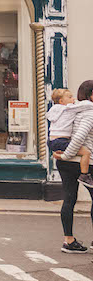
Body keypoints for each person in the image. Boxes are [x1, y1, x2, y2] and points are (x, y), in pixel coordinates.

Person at [55, 80, 93, 253]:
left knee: (69, 198)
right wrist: (67, 154)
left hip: (65, 162)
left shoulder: (70, 110)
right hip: (83, 162)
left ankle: (68, 241)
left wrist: (63, 155)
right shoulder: (89, 113)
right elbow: (79, 137)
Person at [49, 88, 93, 186]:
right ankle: (84, 175)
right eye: (70, 97)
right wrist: (65, 156)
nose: (73, 100)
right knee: (86, 152)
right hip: (67, 149)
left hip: (53, 141)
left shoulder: (55, 110)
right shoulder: (68, 109)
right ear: (61, 101)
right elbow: (79, 137)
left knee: (69, 199)